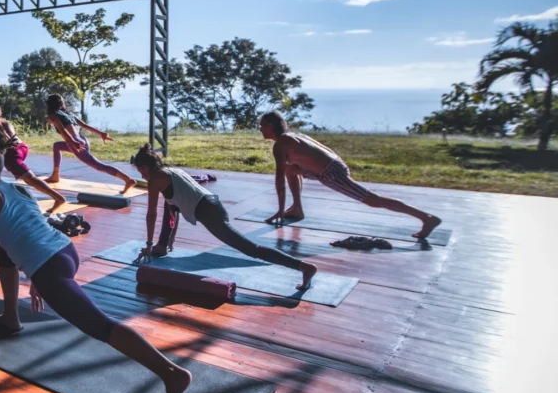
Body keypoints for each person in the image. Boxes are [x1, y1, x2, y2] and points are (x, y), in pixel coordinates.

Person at [0, 132, 192, 393]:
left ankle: (171, 373)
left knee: (99, 326)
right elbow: (26, 230)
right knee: (4, 246)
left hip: (49, 267)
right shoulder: (19, 189)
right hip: (65, 251)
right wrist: (37, 278)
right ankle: (11, 317)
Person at [132, 145, 317, 291]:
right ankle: (162, 245)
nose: (141, 175)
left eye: (140, 171)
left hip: (208, 212)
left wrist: (148, 245)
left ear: (145, 167)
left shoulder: (156, 179)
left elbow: (151, 214)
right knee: (169, 204)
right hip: (212, 205)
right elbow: (173, 204)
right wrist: (169, 239)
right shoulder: (171, 171)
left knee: (251, 249)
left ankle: (303, 267)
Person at [259, 111, 442, 240]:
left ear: (271, 126)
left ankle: (426, 218)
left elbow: (279, 179)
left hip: (331, 173)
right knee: (293, 169)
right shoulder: (293, 136)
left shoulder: (281, 144)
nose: (260, 129)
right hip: (333, 166)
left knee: (372, 200)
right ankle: (297, 208)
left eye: (262, 125)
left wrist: (280, 211)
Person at [0, 101, 66, 212]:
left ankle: (58, 198)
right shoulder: (4, 121)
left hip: (12, 154)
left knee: (30, 178)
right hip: (22, 148)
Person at [44, 94, 136, 193]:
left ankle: (128, 180)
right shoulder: (68, 113)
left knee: (98, 166)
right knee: (57, 146)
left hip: (75, 141)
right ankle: (55, 175)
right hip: (82, 139)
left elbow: (63, 131)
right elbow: (84, 125)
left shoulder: (53, 115)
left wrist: (73, 142)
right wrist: (101, 133)